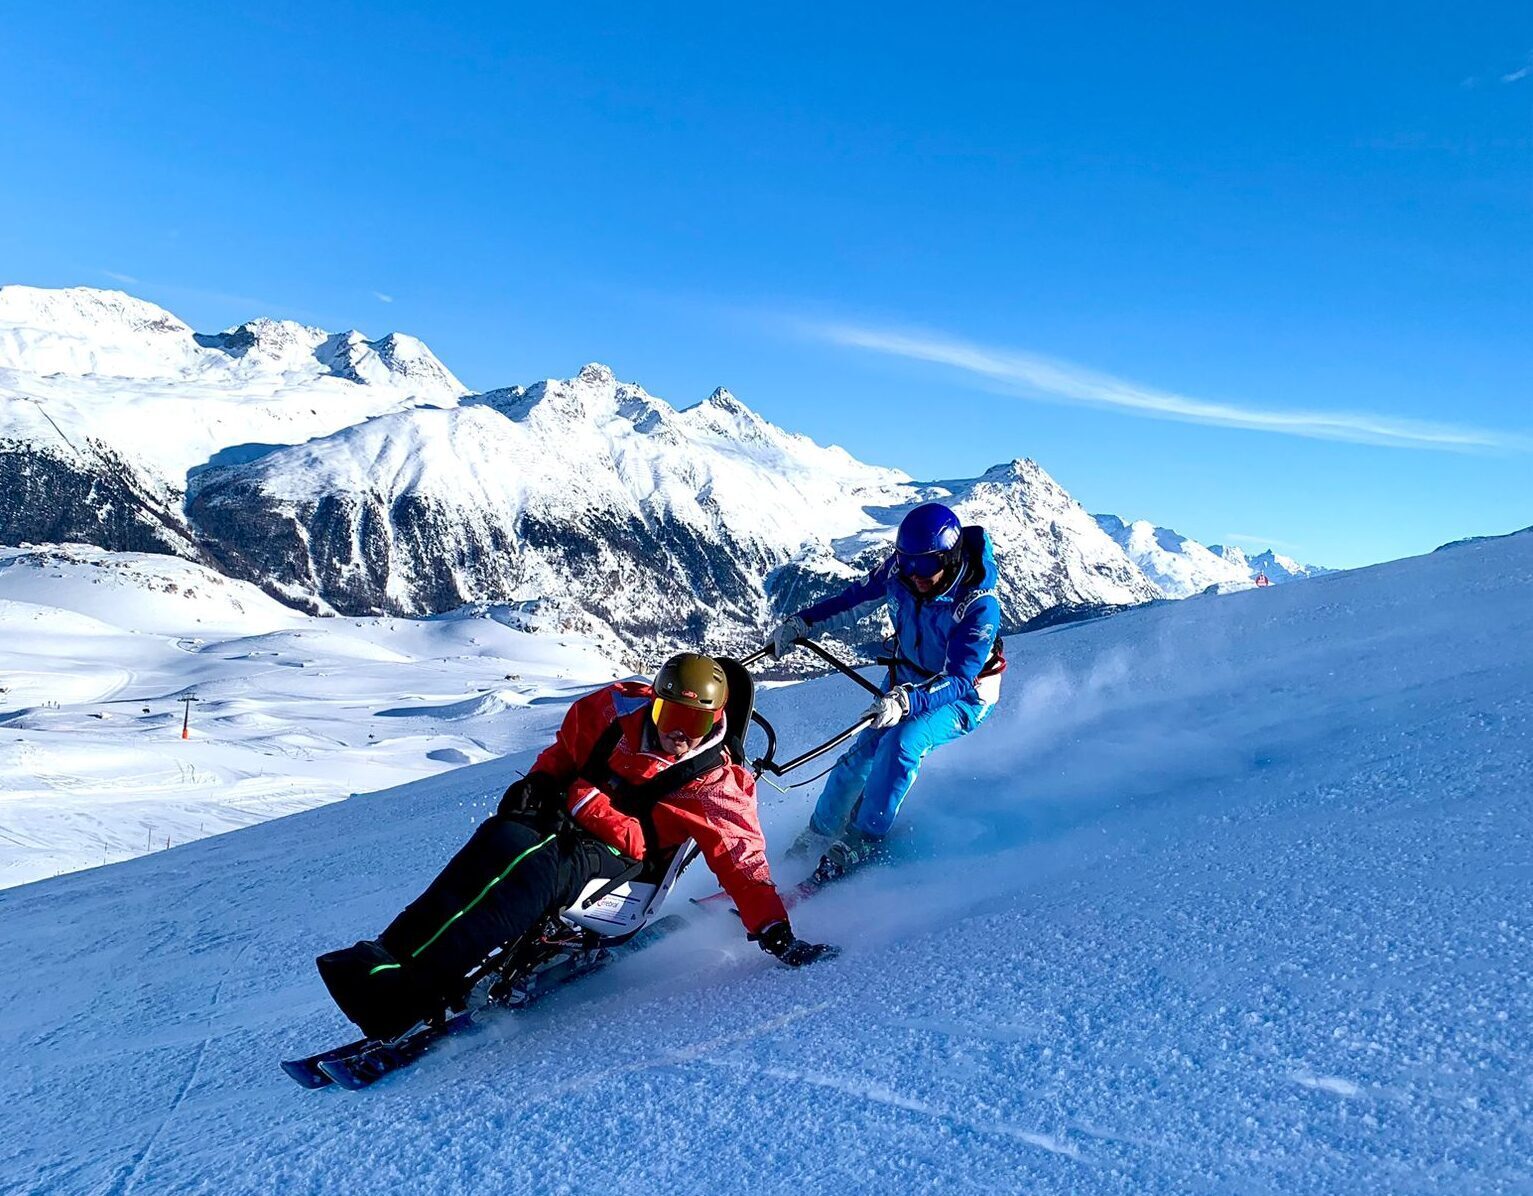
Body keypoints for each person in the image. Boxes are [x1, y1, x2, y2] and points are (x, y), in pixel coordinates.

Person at [316, 652, 835, 1043]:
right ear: (653, 701)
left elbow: (743, 863)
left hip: (627, 870)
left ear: (715, 720)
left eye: (693, 723)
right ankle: (384, 962)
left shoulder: (716, 785)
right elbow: (565, 752)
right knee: (499, 840)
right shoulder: (615, 712)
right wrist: (539, 783)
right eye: (668, 713)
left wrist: (776, 933)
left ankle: (412, 994)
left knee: (531, 868)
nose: (677, 733)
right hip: (566, 822)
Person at [770, 502, 1005, 880]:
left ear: (950, 557)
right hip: (907, 679)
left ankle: (865, 835)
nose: (914, 575)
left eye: (925, 565)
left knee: (902, 742)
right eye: (907, 562)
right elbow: (852, 601)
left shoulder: (977, 604)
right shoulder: (901, 573)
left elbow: (961, 677)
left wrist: (907, 701)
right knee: (860, 753)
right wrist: (803, 624)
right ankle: (819, 833)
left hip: (964, 695)